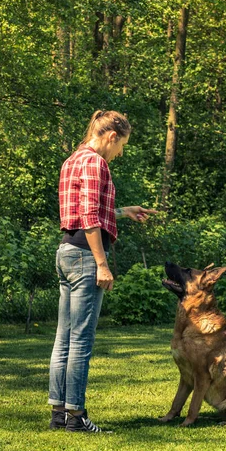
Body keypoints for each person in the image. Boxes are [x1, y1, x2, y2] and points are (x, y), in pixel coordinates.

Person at [48, 110, 157, 433]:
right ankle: (77, 417)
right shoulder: (97, 163)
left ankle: (60, 414)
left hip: (66, 252)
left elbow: (85, 210)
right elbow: (90, 217)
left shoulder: (72, 160)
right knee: (81, 341)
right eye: (122, 145)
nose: (120, 152)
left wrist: (124, 211)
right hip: (85, 256)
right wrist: (102, 264)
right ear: (112, 136)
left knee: (63, 340)